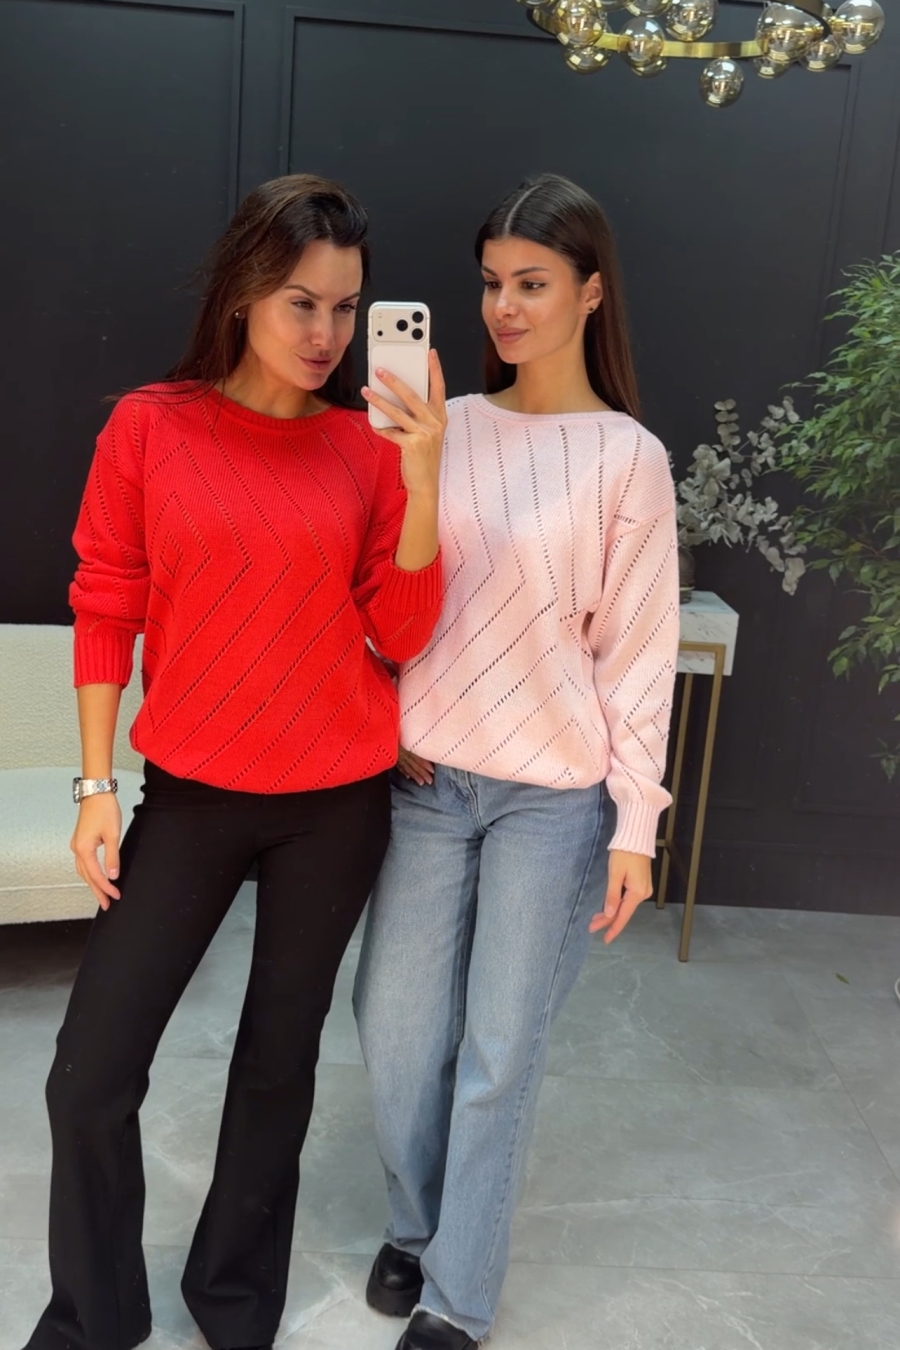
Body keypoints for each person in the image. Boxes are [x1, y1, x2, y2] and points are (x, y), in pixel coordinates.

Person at [24, 173, 446, 1350]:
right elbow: (106, 598)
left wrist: (421, 479)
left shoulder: (369, 449)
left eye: (347, 308)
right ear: (244, 291)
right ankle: (94, 1319)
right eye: (303, 303)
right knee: (88, 1077)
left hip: (335, 804)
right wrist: (95, 787)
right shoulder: (151, 426)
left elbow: (402, 631)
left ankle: (234, 1303)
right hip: (191, 795)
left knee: (275, 1067)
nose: (327, 334)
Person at [353, 173, 679, 1350]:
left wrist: (634, 825)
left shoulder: (628, 457)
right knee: (393, 1031)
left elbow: (637, 654)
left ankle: (457, 1291)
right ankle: (417, 1218)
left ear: (590, 292)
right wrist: (417, 463)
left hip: (553, 798)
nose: (504, 307)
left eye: (533, 284)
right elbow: (384, 591)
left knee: (500, 1052)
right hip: (429, 783)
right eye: (492, 282)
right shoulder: (443, 423)